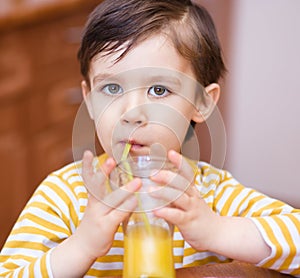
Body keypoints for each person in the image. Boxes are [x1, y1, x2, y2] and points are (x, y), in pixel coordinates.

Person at [1, 0, 299, 277]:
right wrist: (82, 245)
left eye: (158, 90)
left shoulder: (212, 195)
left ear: (201, 103)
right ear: (89, 100)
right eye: (112, 89)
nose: (132, 114)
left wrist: (216, 231)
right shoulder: (64, 196)